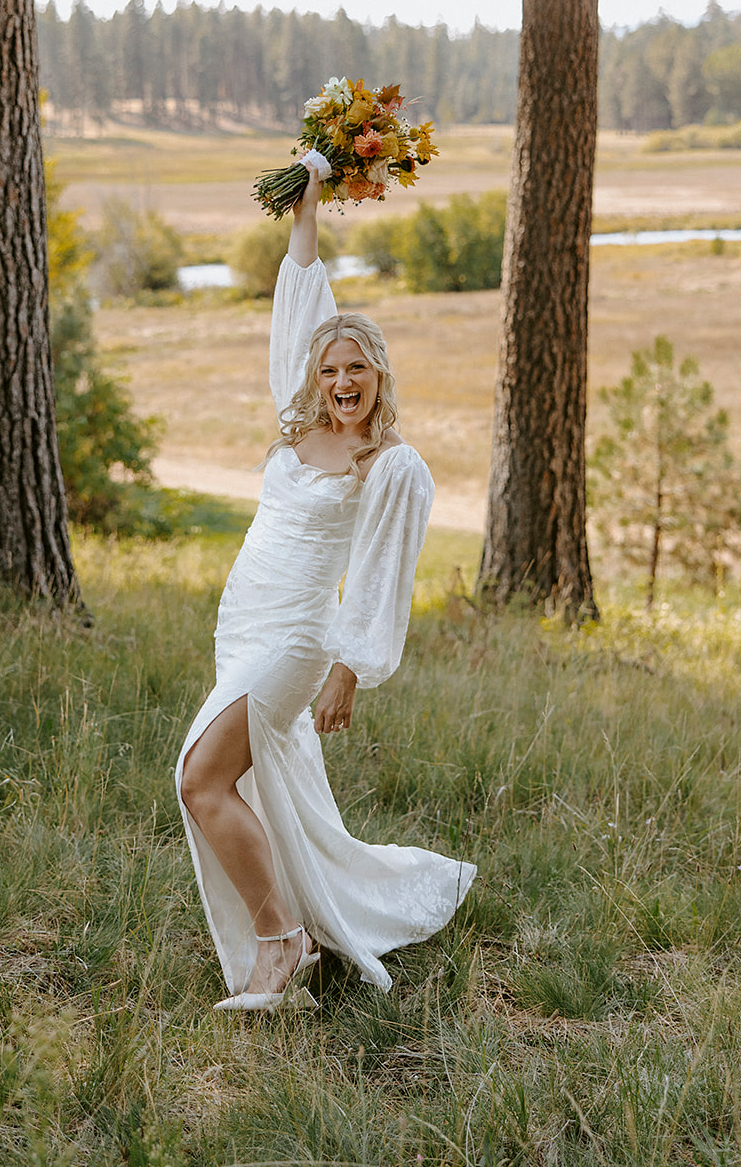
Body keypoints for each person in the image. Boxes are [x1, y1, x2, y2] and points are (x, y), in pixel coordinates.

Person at [176, 168, 475, 1010]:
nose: (343, 382)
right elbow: (301, 289)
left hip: (296, 640)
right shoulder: (296, 419)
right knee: (252, 787)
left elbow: (381, 580)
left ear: (380, 375)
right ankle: (305, 916)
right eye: (332, 368)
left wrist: (349, 669)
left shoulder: (388, 466)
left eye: (358, 370)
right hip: (242, 625)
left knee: (200, 780)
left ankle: (283, 939)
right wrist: (310, 188)